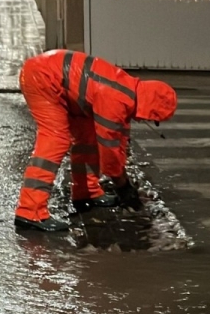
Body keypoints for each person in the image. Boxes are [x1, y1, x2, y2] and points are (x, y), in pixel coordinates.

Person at [14, 49, 178, 232]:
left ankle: (86, 192)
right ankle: (29, 211)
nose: (147, 121)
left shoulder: (128, 91)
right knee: (55, 138)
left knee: (88, 137)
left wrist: (122, 177)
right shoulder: (116, 100)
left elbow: (118, 139)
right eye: (153, 118)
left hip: (52, 76)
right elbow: (109, 149)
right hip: (43, 78)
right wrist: (122, 185)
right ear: (150, 108)